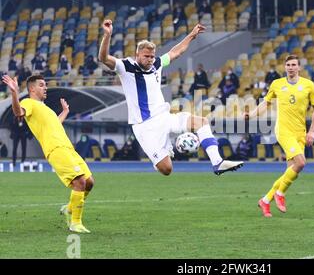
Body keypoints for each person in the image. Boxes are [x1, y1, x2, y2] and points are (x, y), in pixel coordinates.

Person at [98, 20, 243, 176]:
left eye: (152, 56)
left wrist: (192, 35)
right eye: (146, 56)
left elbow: (175, 52)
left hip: (164, 116)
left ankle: (217, 163)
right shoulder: (126, 67)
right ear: (137, 55)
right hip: (144, 126)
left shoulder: (156, 64)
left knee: (201, 122)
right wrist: (107, 35)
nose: (150, 59)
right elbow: (104, 58)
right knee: (166, 169)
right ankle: (165, 151)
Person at [2, 74, 95, 233]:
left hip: (68, 148)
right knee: (79, 182)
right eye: (41, 85)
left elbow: (55, 125)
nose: (45, 88)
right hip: (55, 149)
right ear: (32, 89)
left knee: (89, 182)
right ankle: (75, 223)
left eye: (45, 85)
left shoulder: (45, 108)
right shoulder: (28, 103)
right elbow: (18, 112)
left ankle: (70, 208)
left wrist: (65, 112)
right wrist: (14, 93)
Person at [245, 54, 314, 217]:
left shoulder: (308, 85)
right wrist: (251, 115)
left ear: (299, 67)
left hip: (300, 132)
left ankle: (265, 200)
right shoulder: (277, 84)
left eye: (294, 65)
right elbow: (266, 103)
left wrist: (312, 131)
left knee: (291, 170)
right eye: (288, 65)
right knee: (301, 163)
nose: (291, 67)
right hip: (284, 130)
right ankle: (280, 194)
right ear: (285, 67)